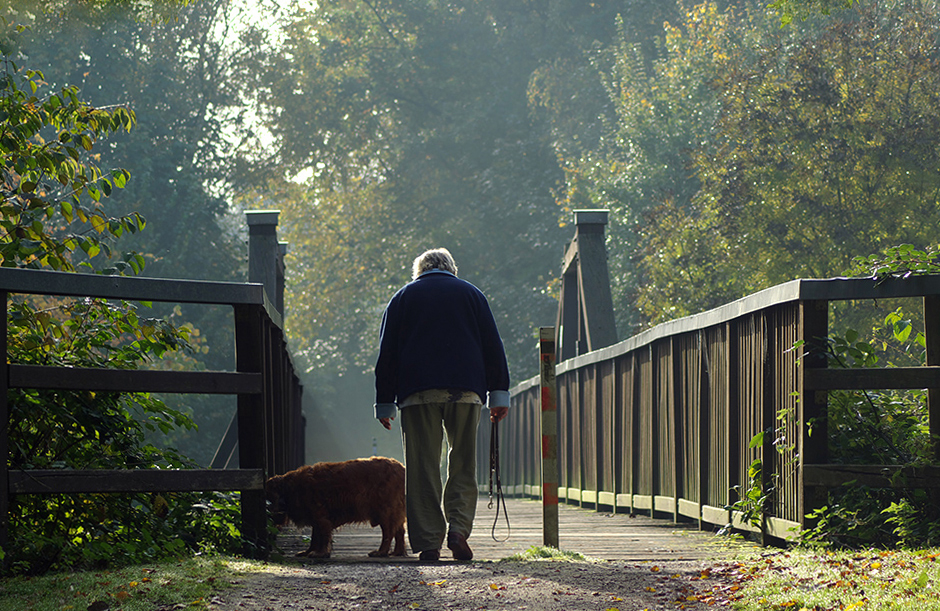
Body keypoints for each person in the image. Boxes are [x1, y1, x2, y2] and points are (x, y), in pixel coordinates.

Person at [374, 248, 510, 562]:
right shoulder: (472, 295)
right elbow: (493, 345)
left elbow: (388, 352)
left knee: (422, 467)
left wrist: (384, 401)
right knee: (463, 461)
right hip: (465, 390)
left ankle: (428, 543)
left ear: (419, 271)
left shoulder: (403, 297)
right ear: (452, 269)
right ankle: (459, 529)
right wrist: (498, 393)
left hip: (417, 392)